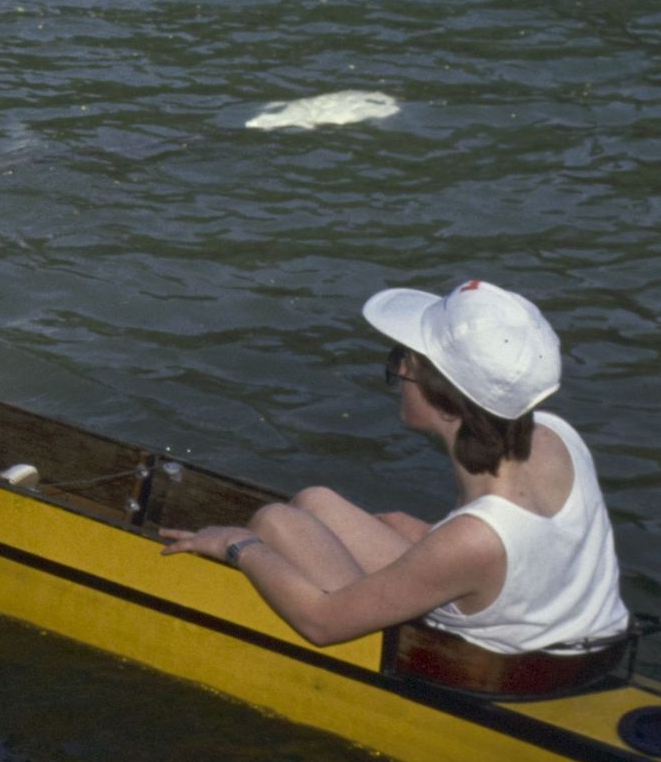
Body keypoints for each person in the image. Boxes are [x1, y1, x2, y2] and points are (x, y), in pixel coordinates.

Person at [162, 280, 631, 653]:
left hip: (489, 664)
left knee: (274, 522)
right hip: (564, 633)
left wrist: (233, 545)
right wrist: (431, 541)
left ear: (446, 402)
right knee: (317, 502)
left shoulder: (476, 538)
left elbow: (322, 625)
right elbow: (539, 548)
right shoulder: (555, 436)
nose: (396, 375)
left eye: (402, 364)